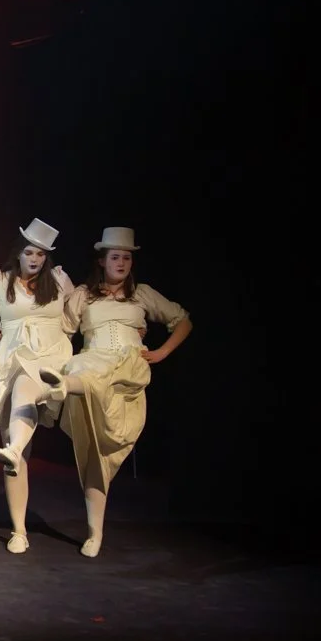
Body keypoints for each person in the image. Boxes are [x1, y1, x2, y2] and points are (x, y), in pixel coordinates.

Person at [41, 227, 192, 558]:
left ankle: (65, 386)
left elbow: (183, 320)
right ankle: (95, 533)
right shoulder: (84, 296)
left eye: (126, 257)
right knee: (94, 457)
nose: (121, 263)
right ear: (102, 261)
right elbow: (60, 330)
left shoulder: (142, 295)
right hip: (92, 365)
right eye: (115, 257)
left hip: (127, 373)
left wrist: (161, 352)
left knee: (106, 450)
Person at [0, 220, 74, 554]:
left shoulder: (59, 279)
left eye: (41, 254)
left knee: (24, 386)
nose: (35, 259)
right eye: (29, 252)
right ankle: (19, 530)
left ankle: (14, 449)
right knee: (13, 432)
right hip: (12, 357)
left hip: (51, 358)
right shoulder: (1, 281)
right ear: (19, 253)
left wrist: (133, 330)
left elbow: (80, 316)